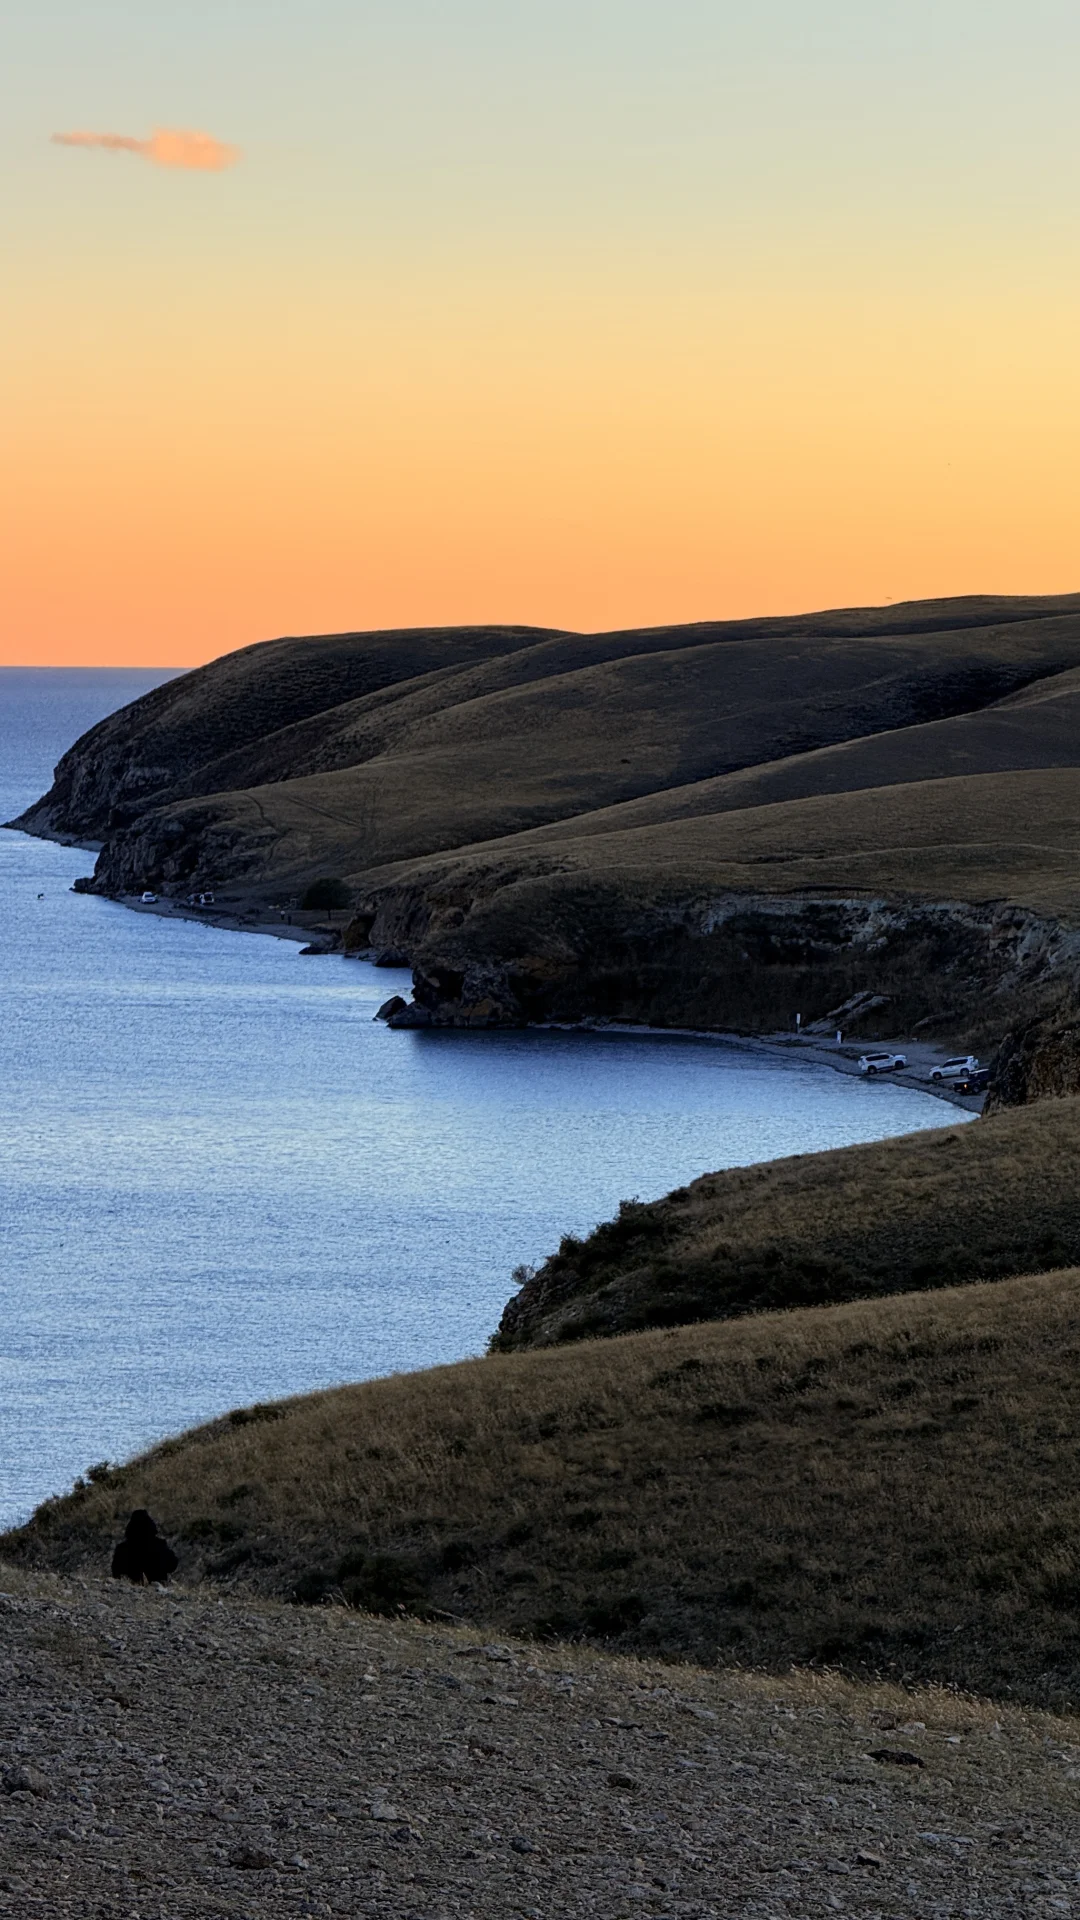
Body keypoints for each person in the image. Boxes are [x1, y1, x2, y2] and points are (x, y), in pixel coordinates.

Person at [111, 1510, 178, 1586]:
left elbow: (116, 1573)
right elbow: (172, 1565)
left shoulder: (123, 1549)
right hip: (158, 1589)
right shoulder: (159, 1546)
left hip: (132, 1589)